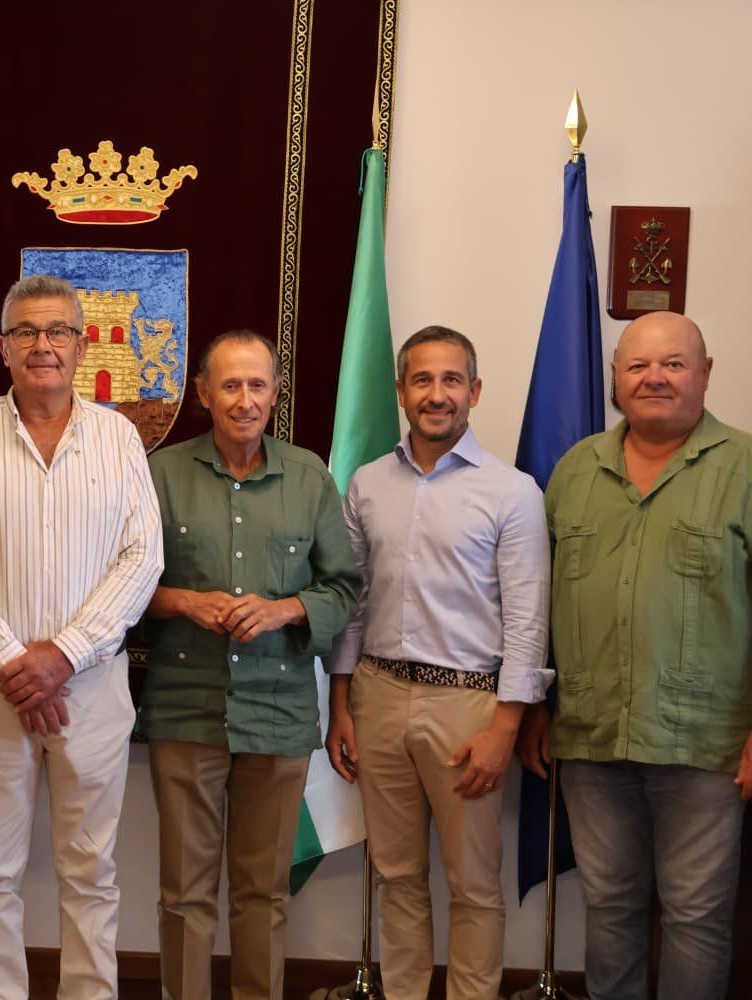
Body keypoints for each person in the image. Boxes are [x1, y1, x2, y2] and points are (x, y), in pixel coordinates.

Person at [520, 311, 752, 1000]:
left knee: (697, 916)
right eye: (637, 365)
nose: (654, 378)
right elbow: (542, 605)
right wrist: (538, 710)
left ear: (705, 373)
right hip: (592, 738)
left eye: (672, 363)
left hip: (707, 745)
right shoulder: (577, 470)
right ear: (615, 377)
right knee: (609, 910)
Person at [0, 273, 163, 999]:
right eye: (26, 332)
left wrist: (61, 656)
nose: (43, 345)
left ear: (83, 346)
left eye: (58, 331)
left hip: (91, 689)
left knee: (91, 869)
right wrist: (12, 662)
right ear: (2, 347)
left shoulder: (119, 436)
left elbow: (142, 556)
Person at [326, 326, 550, 1000]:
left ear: (474, 391)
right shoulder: (368, 483)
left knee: (473, 885)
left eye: (452, 380)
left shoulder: (513, 492)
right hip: (378, 696)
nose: (436, 394)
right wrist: (340, 703)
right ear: (400, 391)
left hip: (469, 707)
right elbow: (354, 603)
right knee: (395, 875)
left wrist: (504, 729)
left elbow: (528, 621)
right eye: (421, 380)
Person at [141, 330, 359, 1000]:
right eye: (230, 385)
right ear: (203, 393)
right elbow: (117, 582)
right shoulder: (159, 472)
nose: (245, 400)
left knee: (263, 895)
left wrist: (286, 609)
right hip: (186, 709)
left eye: (258, 385)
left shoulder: (308, 475)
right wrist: (183, 600)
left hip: (280, 710)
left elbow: (344, 587)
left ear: (275, 393)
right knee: (184, 894)